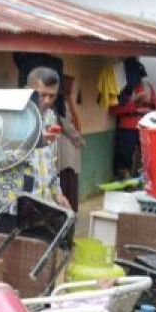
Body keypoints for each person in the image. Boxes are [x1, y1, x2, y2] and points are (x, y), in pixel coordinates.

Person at [0, 67, 73, 231]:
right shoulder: (10, 117)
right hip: (11, 206)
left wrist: (57, 193)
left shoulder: (50, 116)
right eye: (42, 94)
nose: (48, 100)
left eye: (52, 96)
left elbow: (51, 162)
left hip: (41, 206)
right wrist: (34, 142)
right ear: (28, 91)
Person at [110, 58, 156, 179]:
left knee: (147, 156)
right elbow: (114, 110)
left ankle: (143, 180)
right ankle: (124, 180)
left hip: (145, 126)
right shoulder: (122, 89)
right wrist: (134, 104)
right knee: (124, 156)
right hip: (127, 126)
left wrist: (149, 103)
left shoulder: (148, 86)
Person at [57, 74, 85, 211]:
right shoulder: (60, 103)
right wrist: (78, 138)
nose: (71, 88)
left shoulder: (68, 100)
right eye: (69, 85)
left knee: (71, 179)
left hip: (71, 146)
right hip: (65, 145)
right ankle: (67, 210)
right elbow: (65, 124)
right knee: (66, 178)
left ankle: (72, 209)